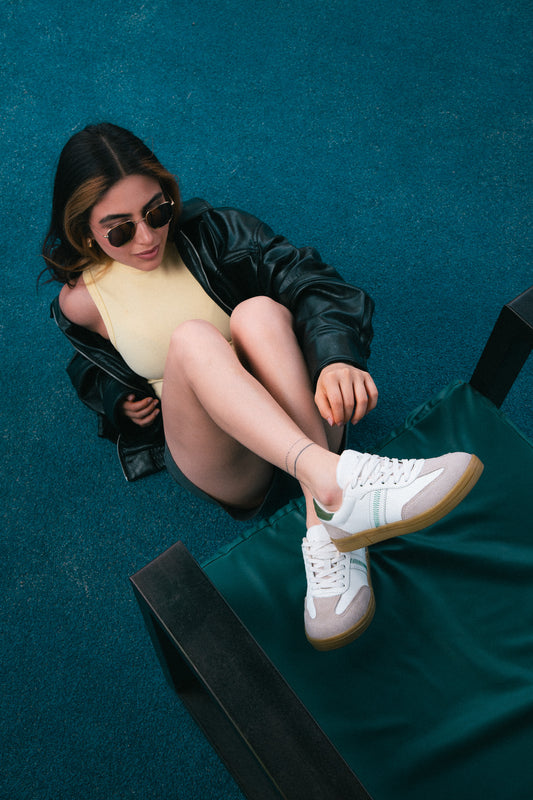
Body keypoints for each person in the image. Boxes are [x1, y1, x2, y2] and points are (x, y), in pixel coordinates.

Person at [41, 123, 483, 651]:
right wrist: (118, 401)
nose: (148, 237)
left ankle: (326, 513)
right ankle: (342, 484)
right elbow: (94, 366)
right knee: (192, 339)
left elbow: (310, 281)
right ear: (84, 231)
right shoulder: (81, 303)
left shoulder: (217, 231)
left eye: (157, 212)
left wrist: (337, 357)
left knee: (255, 312)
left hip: (300, 411)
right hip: (225, 456)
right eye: (119, 231)